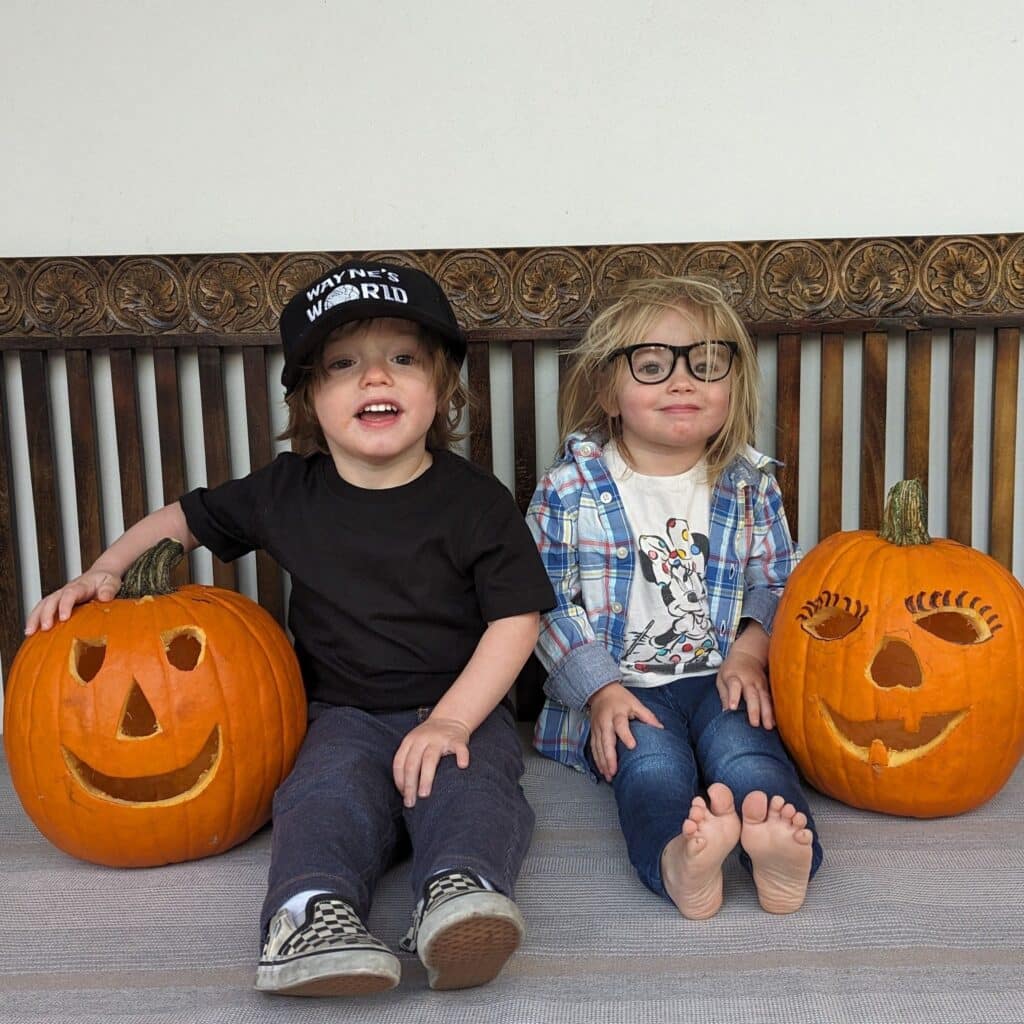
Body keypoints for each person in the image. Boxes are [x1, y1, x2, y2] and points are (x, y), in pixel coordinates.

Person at [25, 260, 555, 996]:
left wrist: (454, 722)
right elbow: (181, 523)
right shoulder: (285, 491)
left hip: (458, 705)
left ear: (440, 391)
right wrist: (104, 572)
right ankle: (311, 916)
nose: (376, 379)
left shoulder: (475, 502)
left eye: (403, 359)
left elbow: (516, 618)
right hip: (340, 713)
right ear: (310, 396)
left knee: (477, 793)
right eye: (344, 365)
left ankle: (458, 896)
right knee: (322, 795)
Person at [526, 275, 823, 921]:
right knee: (652, 770)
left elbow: (776, 580)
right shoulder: (569, 489)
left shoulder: (748, 483)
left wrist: (750, 653)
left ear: (732, 385)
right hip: (624, 688)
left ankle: (782, 852)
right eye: (652, 365)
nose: (682, 382)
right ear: (608, 389)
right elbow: (545, 602)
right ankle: (676, 861)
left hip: (723, 680)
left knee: (750, 754)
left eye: (706, 364)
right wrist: (600, 690)